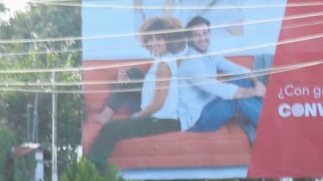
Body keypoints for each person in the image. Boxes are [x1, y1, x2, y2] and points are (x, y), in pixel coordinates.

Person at [86, 15, 183, 167]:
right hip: (157, 115)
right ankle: (106, 114)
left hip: (161, 121)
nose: (153, 43)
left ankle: (92, 170)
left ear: (169, 40)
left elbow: (158, 104)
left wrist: (136, 117)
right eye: (150, 39)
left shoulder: (164, 65)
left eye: (159, 38)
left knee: (110, 129)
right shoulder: (163, 59)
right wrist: (124, 74)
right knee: (134, 74)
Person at [178, 14, 265, 143]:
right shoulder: (191, 64)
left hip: (211, 105)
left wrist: (257, 83)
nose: (202, 38)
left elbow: (239, 70)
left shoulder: (209, 53)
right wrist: (255, 92)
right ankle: (271, 124)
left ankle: (269, 115)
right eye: (197, 35)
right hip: (198, 121)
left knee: (242, 80)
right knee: (235, 99)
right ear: (189, 38)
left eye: (205, 33)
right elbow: (224, 91)